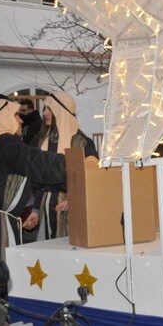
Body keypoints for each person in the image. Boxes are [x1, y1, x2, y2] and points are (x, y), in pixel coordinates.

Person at [0, 100, 66, 283]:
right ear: (2, 117)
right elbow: (33, 161)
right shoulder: (3, 142)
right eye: (16, 115)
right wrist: (70, 163)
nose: (21, 121)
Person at [28, 92, 98, 240]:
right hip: (46, 209)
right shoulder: (41, 140)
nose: (45, 113)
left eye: (50, 109)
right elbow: (39, 179)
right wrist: (36, 210)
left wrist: (73, 199)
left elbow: (92, 178)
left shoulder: (82, 143)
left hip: (72, 213)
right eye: (44, 109)